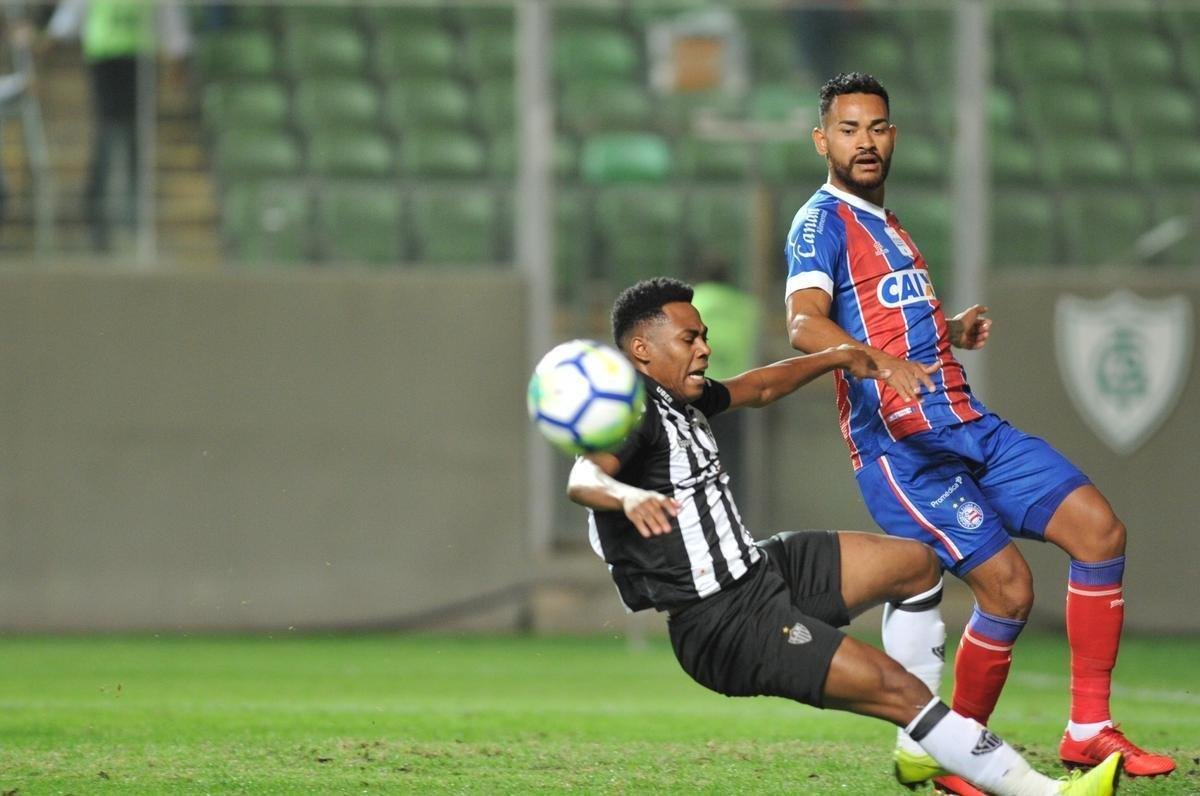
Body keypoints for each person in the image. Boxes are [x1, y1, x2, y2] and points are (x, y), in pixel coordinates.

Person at [567, 277, 1120, 796]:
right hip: (724, 622)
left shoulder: (679, 400)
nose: (705, 348)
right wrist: (628, 496)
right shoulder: (630, 412)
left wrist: (835, 356)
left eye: (705, 336)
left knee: (915, 563)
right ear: (642, 348)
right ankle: (1041, 789)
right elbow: (583, 476)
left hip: (760, 570)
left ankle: (918, 744)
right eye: (690, 338)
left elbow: (758, 387)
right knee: (900, 692)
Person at [782, 72, 1175, 793]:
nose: (864, 142)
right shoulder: (820, 222)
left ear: (893, 136)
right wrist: (881, 362)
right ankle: (953, 756)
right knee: (1009, 591)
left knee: (1098, 532)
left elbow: (887, 315)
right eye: (848, 129)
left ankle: (1088, 730)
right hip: (903, 452)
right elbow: (805, 324)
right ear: (822, 140)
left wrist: (947, 329)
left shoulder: (887, 221)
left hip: (966, 424)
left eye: (877, 127)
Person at [45, 0, 191, 251]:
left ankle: (136, 219)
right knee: (108, 137)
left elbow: (170, 16)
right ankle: (98, 218)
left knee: (135, 140)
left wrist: (177, 56)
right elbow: (74, 12)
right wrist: (51, 39)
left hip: (140, 63)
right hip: (105, 62)